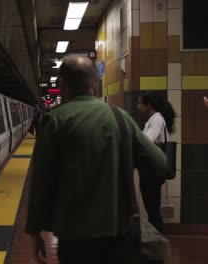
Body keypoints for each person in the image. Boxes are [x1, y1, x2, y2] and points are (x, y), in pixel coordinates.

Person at [26, 54, 168, 264]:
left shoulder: (55, 121)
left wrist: (34, 230)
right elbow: (160, 164)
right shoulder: (120, 118)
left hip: (74, 238)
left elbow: (40, 181)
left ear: (62, 84)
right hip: (119, 232)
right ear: (94, 83)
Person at [136, 91, 176, 234]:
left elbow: (146, 142)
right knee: (153, 209)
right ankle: (158, 241)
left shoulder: (156, 119)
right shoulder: (156, 119)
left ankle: (157, 243)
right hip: (152, 172)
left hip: (151, 172)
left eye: (140, 103)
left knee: (152, 211)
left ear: (149, 105)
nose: (137, 107)